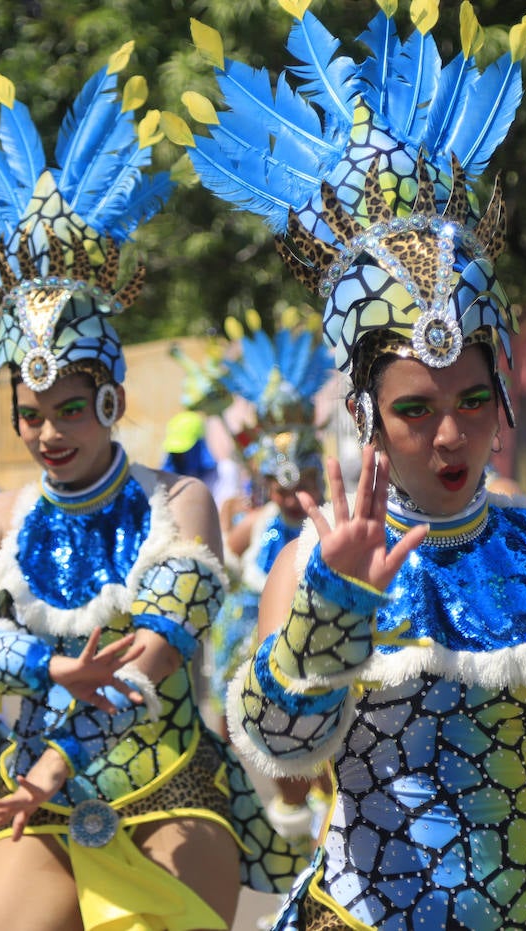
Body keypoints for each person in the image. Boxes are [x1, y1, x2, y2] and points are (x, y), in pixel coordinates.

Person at [184, 5, 526, 928]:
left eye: (473, 402)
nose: (449, 435)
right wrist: (336, 617)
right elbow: (282, 749)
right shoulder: (314, 560)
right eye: (415, 409)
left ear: (503, 401)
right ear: (368, 416)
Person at [0, 49, 308, 931]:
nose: (50, 433)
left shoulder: (181, 503)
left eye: (70, 409)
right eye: (31, 413)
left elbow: (152, 656)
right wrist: (46, 665)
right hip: (39, 804)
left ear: (111, 402)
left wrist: (57, 750)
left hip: (170, 792)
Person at [204, 309, 335, 848]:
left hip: (321, 651)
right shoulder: (252, 526)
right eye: (279, 485)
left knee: (328, 762)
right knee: (272, 757)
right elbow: (213, 567)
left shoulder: (332, 527)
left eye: (301, 480)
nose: (290, 494)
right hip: (255, 656)